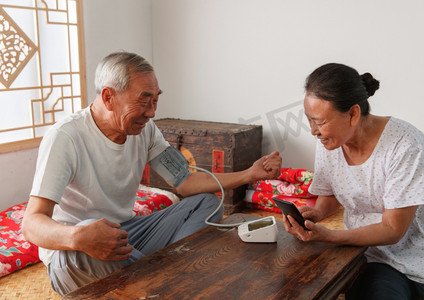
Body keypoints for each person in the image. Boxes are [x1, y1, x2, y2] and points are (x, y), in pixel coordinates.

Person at [22, 51, 282, 295]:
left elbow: (186, 181)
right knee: (88, 233)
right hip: (75, 253)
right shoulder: (65, 137)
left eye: (156, 100)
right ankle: (170, 280)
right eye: (143, 100)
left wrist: (250, 173)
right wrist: (77, 237)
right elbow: (31, 224)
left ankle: (160, 279)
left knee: (208, 203)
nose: (152, 112)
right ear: (108, 97)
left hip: (127, 235)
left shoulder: (145, 130)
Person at [282, 63, 424, 299]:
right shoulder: (330, 142)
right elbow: (329, 195)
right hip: (373, 257)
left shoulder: (406, 146)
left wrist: (329, 236)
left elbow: (392, 230)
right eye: (309, 120)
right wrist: (316, 214)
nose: (313, 131)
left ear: (352, 114)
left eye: (319, 122)